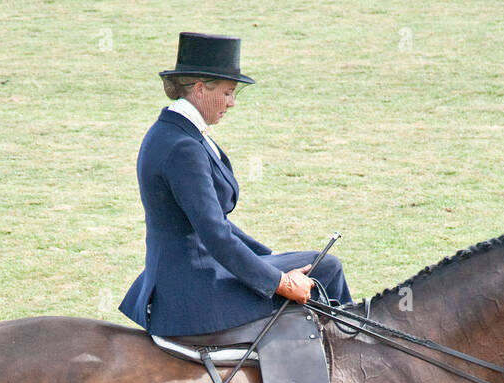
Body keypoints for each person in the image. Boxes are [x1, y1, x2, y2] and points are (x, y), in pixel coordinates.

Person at [119, 32, 351, 337]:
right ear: (200, 89)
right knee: (326, 269)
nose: (232, 103)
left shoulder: (176, 132)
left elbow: (217, 225)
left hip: (190, 274)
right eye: (228, 93)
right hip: (194, 292)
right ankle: (349, 355)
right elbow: (215, 234)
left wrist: (270, 258)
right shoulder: (183, 148)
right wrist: (280, 282)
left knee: (315, 264)